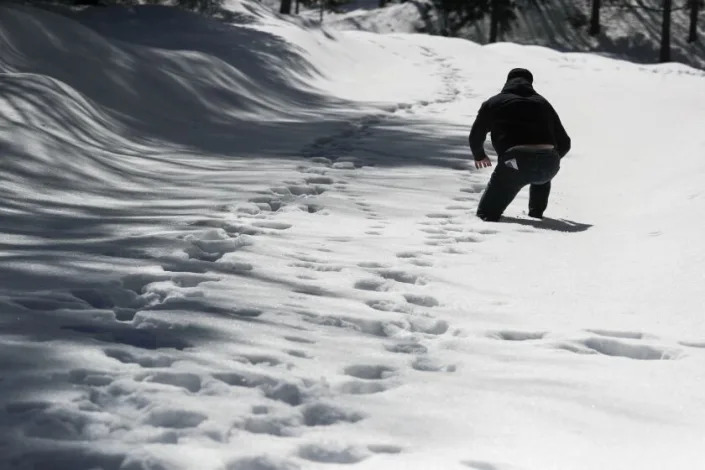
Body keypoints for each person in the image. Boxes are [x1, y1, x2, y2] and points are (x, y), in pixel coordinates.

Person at [469, 68, 571, 221]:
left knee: (486, 214)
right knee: (541, 165)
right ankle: (536, 213)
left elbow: (476, 135)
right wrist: (549, 158)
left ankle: (491, 216)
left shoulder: (494, 102)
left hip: (515, 162)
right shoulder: (543, 104)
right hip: (549, 164)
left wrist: (479, 155)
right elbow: (565, 142)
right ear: (530, 83)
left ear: (507, 82)